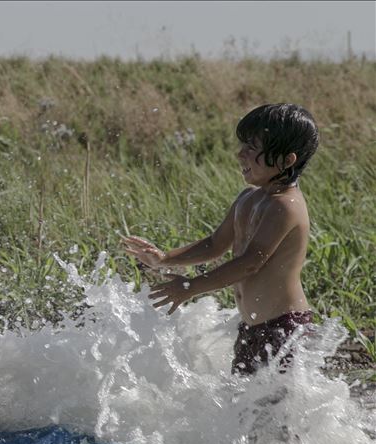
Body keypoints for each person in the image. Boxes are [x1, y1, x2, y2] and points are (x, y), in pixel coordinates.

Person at [122, 103, 319, 375]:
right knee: (243, 408)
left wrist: (191, 287)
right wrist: (165, 259)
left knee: (274, 413)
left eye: (252, 148)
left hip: (285, 328)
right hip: (251, 327)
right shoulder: (248, 198)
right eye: (243, 146)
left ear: (287, 160)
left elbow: (251, 263)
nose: (240, 155)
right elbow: (215, 244)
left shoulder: (286, 206)